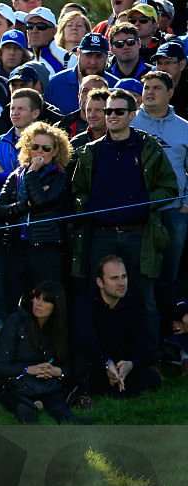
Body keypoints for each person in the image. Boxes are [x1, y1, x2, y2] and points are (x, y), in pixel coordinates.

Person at [71, 88, 176, 365]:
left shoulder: (149, 147)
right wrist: (88, 206)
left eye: (118, 111)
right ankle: (98, 361)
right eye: (108, 111)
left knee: (145, 300)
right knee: (96, 301)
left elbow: (169, 187)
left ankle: (147, 362)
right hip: (100, 236)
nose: (112, 116)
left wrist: (144, 204)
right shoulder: (90, 151)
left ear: (132, 114)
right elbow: (77, 191)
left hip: (139, 235)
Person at [0, 122, 73, 311]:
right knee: (16, 300)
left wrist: (32, 175)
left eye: (46, 148)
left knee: (46, 302)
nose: (39, 152)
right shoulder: (16, 175)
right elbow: (0, 210)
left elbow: (43, 202)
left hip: (46, 247)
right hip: (18, 246)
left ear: (55, 152)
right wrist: (24, 205)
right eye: (34, 147)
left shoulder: (60, 176)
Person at [70, 256, 161, 405]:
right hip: (95, 363)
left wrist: (130, 364)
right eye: (114, 278)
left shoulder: (132, 305)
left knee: (152, 378)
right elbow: (83, 340)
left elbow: (140, 343)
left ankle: (110, 389)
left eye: (123, 277)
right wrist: (106, 362)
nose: (121, 283)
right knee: (81, 367)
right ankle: (89, 391)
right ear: (100, 282)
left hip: (119, 366)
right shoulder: (85, 304)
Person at [0, 282, 79, 423]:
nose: (39, 304)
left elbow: (70, 367)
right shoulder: (15, 322)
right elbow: (0, 366)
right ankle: (27, 412)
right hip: (16, 383)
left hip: (46, 382)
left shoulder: (59, 329)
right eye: (37, 298)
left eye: (46, 300)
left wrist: (55, 371)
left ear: (56, 305)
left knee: (59, 408)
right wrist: (28, 369)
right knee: (20, 404)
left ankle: (68, 421)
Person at [132, 71, 188, 284]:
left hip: (174, 210)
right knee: (138, 271)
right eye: (147, 88)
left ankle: (169, 315)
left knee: (169, 271)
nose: (150, 92)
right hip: (137, 209)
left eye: (157, 88)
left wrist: (186, 205)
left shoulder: (184, 128)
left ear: (170, 93)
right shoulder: (129, 123)